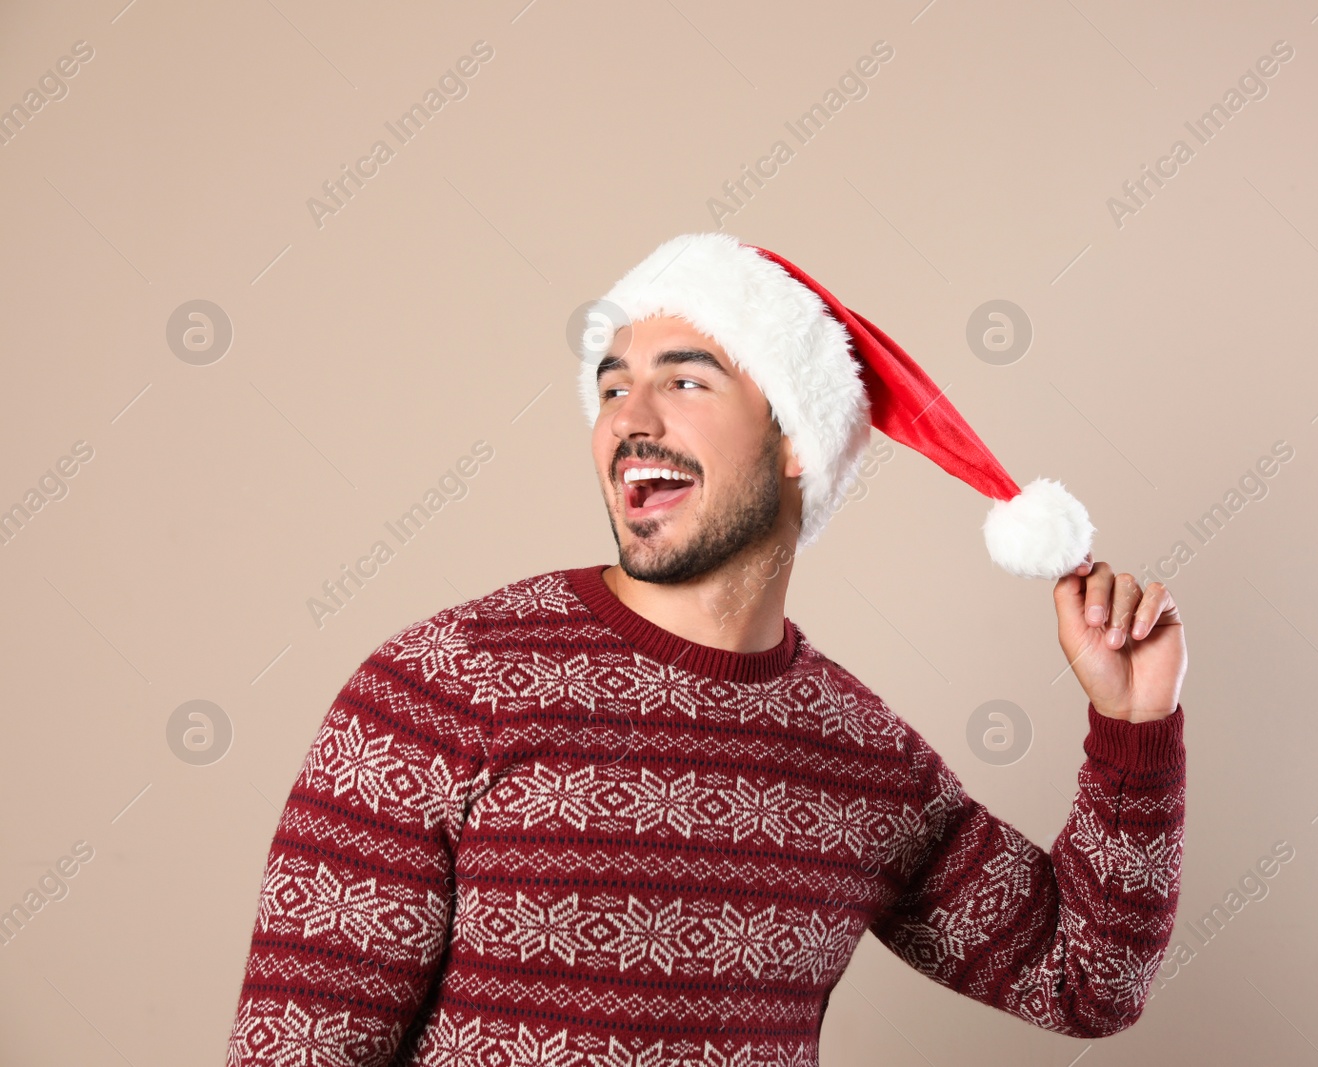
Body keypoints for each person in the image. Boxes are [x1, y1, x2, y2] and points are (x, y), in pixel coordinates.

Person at [226, 233, 1188, 1066]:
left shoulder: (861, 757)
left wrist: (1132, 725)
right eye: (612, 386)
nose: (628, 419)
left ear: (795, 438)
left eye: (684, 380)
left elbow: (1085, 980)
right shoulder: (442, 687)